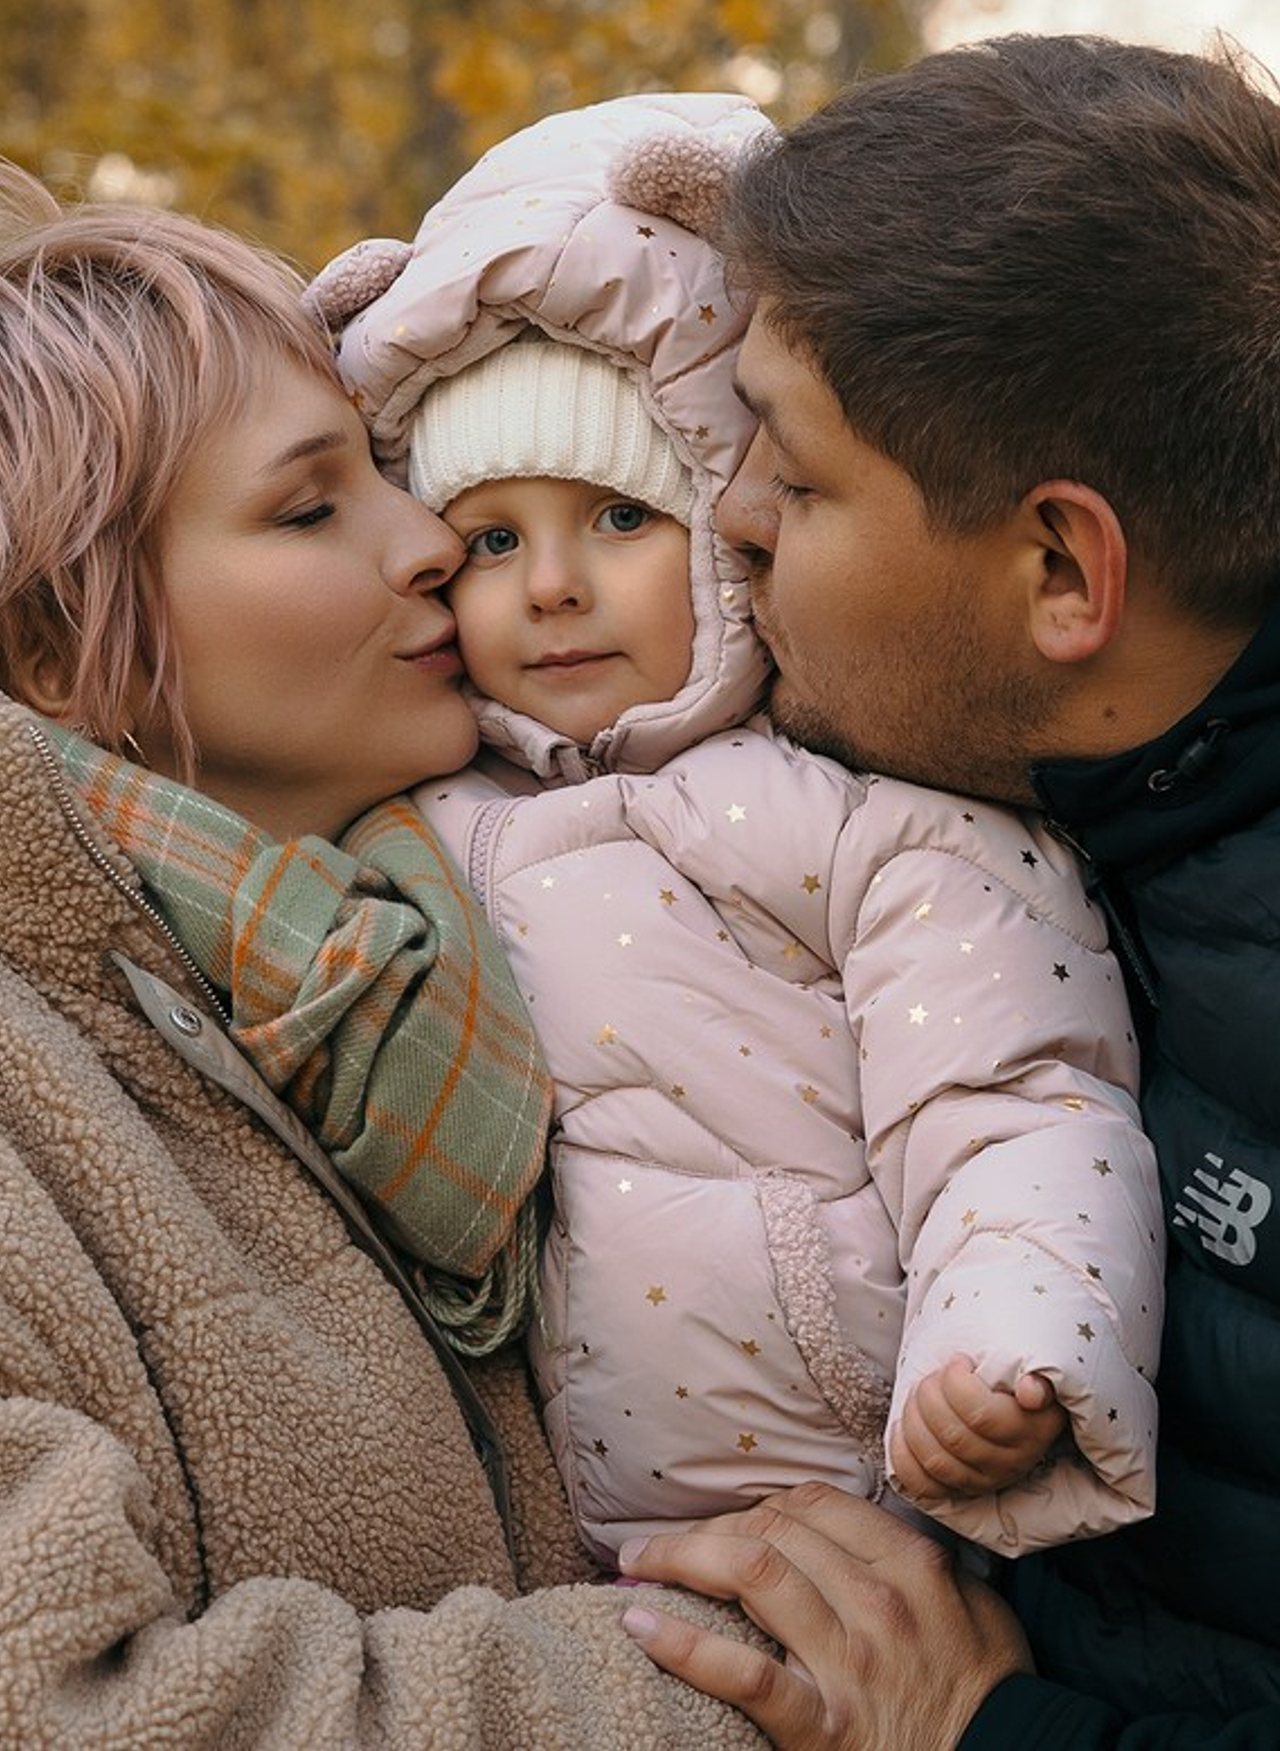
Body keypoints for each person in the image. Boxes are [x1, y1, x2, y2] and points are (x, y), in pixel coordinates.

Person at [313, 92, 1164, 1570]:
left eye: (620, 519)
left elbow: (1016, 1097)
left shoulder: (864, 818)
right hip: (589, 1544)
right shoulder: (421, 826)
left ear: (728, 517)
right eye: (494, 539)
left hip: (887, 1495)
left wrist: (1014, 1345)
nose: (551, 587)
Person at [0, 156, 775, 1745]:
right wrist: (747, 1678)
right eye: (310, 505)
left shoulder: (502, 910)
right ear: (54, 649)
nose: (432, 540)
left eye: (384, 470)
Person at [609, 34, 1280, 1746]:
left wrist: (977, 1731)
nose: (730, 518)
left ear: (1062, 570)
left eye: (799, 472)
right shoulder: (1062, 815)